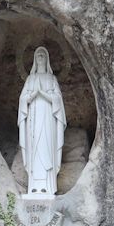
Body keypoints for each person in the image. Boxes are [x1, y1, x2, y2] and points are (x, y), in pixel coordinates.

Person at [17, 46, 66, 196]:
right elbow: (23, 99)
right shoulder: (30, 79)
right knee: (35, 150)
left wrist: (42, 93)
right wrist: (31, 96)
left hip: (48, 118)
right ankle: (34, 186)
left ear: (47, 60)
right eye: (38, 55)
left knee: (46, 148)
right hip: (33, 118)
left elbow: (57, 99)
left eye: (43, 55)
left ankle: (47, 185)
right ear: (34, 60)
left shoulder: (52, 79)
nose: (40, 58)